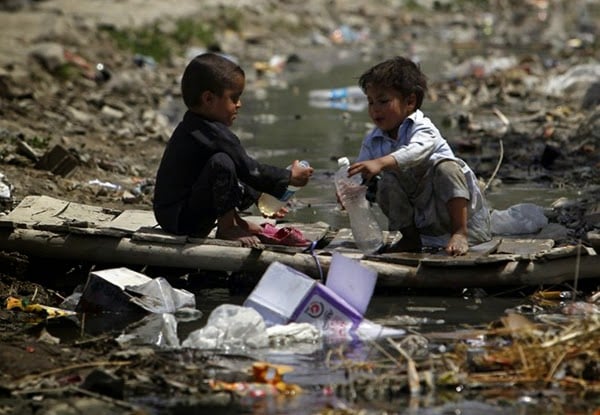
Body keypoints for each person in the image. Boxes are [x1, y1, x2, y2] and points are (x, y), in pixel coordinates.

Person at [153, 53, 313, 248]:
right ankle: (227, 228)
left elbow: (241, 168)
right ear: (209, 99)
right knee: (223, 162)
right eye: (234, 98)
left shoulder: (201, 126)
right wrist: (289, 177)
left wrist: (258, 196)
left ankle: (236, 221)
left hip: (177, 214)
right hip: (179, 218)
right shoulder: (204, 131)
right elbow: (250, 170)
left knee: (230, 164)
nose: (239, 104)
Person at [345, 56, 491, 255]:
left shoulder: (422, 127)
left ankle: (460, 232)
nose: (375, 109)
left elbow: (415, 152)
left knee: (446, 168)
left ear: (410, 102)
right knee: (385, 183)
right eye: (370, 102)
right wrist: (349, 187)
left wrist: (380, 162)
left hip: (446, 207)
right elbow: (361, 170)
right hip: (422, 216)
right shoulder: (373, 139)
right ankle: (410, 238)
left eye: (383, 101)